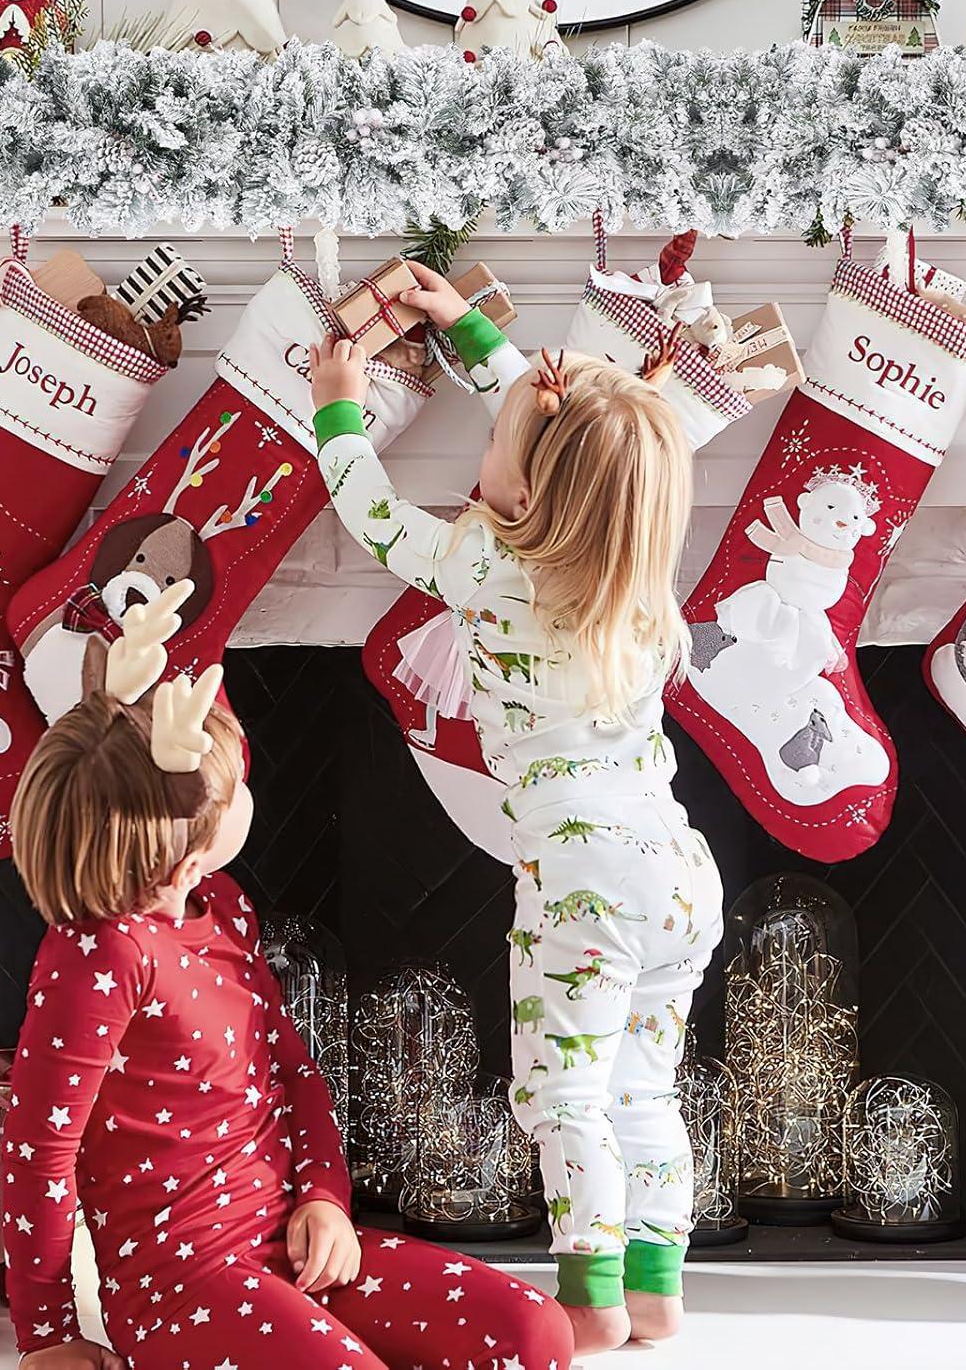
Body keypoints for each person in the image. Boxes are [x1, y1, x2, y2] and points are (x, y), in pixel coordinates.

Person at [2, 581, 572, 1370]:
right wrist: (50, 1336)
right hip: (183, 1282)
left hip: (287, 1238)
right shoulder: (99, 958)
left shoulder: (224, 903)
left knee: (533, 1331)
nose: (250, 786)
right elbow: (40, 1153)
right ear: (185, 842)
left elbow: (291, 1066)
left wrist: (325, 1198)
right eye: (235, 786)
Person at [310, 267, 723, 1355]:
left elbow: (371, 515)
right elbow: (562, 447)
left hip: (581, 882)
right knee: (647, 1089)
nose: (485, 443)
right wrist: (470, 328)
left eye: (497, 436)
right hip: (678, 873)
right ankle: (655, 1292)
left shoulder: (486, 563)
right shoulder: (635, 576)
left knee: (565, 1099)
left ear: (524, 497)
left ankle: (586, 1306)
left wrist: (338, 404)